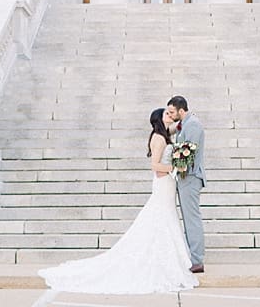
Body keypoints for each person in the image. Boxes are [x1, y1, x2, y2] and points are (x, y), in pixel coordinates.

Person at [38, 108, 198, 294]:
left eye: (171, 114)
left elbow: (179, 127)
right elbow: (155, 166)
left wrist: (186, 122)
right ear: (159, 119)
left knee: (166, 218)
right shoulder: (158, 138)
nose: (170, 116)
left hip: (167, 185)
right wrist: (176, 167)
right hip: (163, 183)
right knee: (160, 219)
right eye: (167, 114)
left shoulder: (164, 135)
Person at [165, 94, 205, 273]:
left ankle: (197, 260)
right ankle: (191, 256)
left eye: (172, 112)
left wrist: (169, 170)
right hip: (184, 178)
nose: (170, 114)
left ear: (182, 110)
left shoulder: (193, 125)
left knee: (191, 219)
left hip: (190, 177)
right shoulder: (183, 124)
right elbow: (169, 131)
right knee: (188, 219)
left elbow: (185, 155)